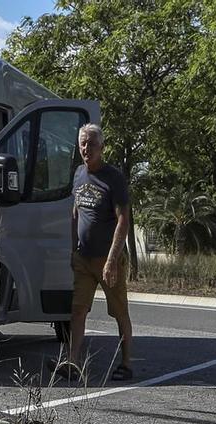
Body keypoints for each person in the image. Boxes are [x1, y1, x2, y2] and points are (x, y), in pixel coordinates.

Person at [64, 123, 133, 380]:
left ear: (102, 147)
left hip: (108, 259)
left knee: (119, 312)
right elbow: (75, 213)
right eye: (83, 143)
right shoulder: (79, 174)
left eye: (91, 144)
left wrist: (113, 260)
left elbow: (123, 220)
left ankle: (126, 363)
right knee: (78, 310)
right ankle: (73, 362)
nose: (86, 148)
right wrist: (73, 249)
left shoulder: (113, 177)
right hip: (83, 258)